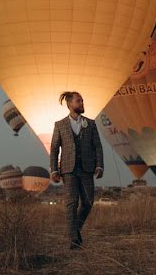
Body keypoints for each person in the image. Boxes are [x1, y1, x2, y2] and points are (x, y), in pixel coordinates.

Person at [49, 91, 104, 249]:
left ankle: (75, 230)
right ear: (70, 104)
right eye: (78, 101)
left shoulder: (91, 124)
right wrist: (54, 170)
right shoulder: (59, 125)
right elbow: (54, 148)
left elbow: (97, 147)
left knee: (88, 202)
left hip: (87, 168)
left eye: (82, 101)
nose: (81, 103)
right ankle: (73, 239)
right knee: (71, 203)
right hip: (68, 169)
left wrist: (99, 165)